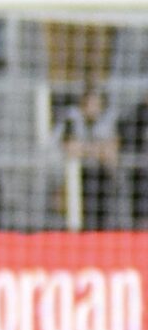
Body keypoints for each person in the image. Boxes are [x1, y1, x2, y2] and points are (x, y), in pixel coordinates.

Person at [55, 86, 121, 227]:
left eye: (97, 104)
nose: (94, 108)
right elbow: (71, 148)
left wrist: (87, 149)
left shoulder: (107, 120)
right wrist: (96, 150)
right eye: (91, 103)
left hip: (100, 173)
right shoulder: (72, 119)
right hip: (72, 174)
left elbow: (111, 152)